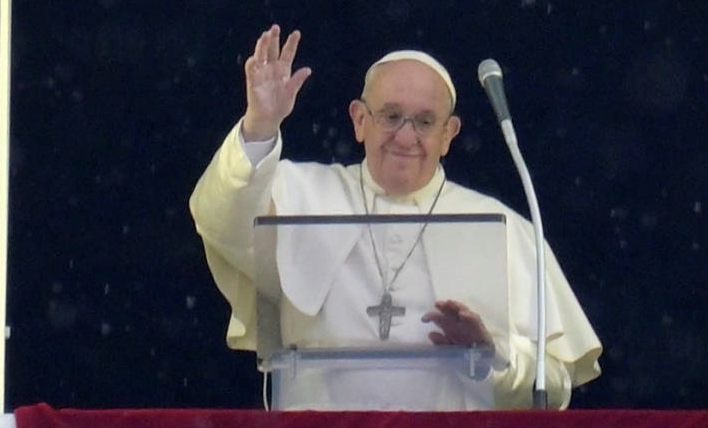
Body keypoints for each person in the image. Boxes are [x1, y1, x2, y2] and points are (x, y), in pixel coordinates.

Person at [190, 27, 601, 408]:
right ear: (359, 120)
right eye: (390, 116)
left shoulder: (503, 226)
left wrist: (494, 355)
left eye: (424, 122)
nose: (405, 137)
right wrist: (260, 126)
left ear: (448, 135)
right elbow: (219, 218)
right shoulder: (299, 194)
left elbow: (555, 389)